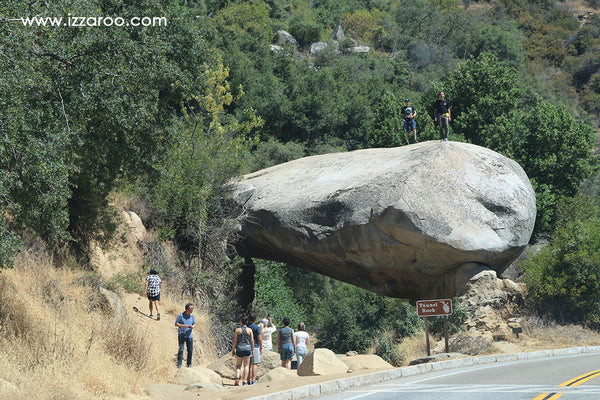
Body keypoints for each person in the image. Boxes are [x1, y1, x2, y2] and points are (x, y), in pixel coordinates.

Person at [232, 314, 254, 386]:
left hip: (239, 348)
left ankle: (237, 378)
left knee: (238, 365)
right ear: (247, 322)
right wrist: (252, 350)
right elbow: (252, 340)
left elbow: (235, 340)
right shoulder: (249, 330)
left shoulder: (237, 330)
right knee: (246, 366)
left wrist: (233, 349)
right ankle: (244, 381)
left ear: (241, 321)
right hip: (247, 348)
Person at [175, 303, 195, 368]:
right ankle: (179, 364)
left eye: (192, 308)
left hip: (189, 336)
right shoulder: (181, 315)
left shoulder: (192, 316)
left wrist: (192, 326)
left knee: (190, 350)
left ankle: (189, 364)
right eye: (191, 308)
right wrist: (183, 326)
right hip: (182, 335)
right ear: (187, 309)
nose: (192, 310)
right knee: (181, 349)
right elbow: (176, 324)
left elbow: (194, 323)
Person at [248, 312, 262, 384]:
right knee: (254, 364)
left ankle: (247, 380)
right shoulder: (256, 327)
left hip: (247, 346)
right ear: (255, 319)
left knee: (247, 365)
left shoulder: (246, 326)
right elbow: (259, 338)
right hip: (255, 346)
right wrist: (261, 348)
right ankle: (253, 380)